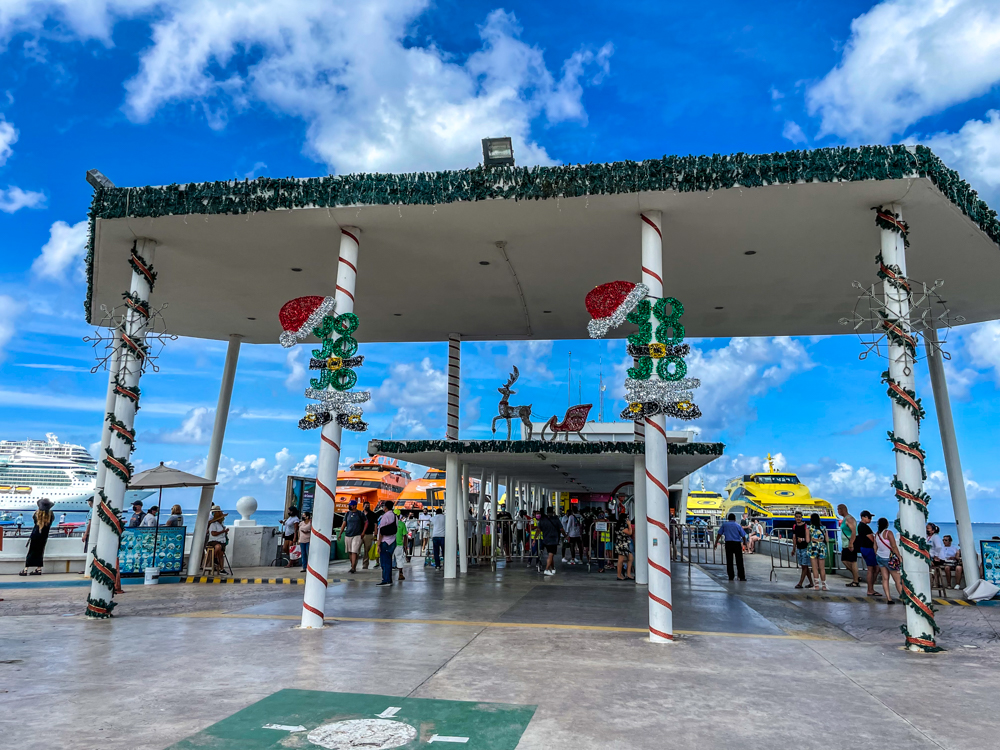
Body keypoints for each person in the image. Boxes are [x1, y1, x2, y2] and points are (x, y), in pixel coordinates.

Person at [19, 498, 54, 576]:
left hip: (35, 534)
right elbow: (50, 523)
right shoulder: (51, 515)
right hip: (44, 535)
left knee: (31, 551)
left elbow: (35, 522)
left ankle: (25, 570)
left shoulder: (36, 514)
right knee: (40, 552)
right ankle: (38, 569)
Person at [875, 517, 903, 604]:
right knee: (898, 580)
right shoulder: (888, 533)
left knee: (885, 578)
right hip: (889, 559)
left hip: (880, 558)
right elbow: (894, 546)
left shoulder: (877, 534)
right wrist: (899, 557)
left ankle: (888, 598)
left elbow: (875, 547)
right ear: (887, 524)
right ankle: (904, 598)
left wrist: (877, 554)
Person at [715, 513, 747, 581]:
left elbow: (719, 534)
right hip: (737, 544)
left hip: (728, 544)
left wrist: (716, 542)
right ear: (735, 518)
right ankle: (741, 576)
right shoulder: (737, 525)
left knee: (729, 560)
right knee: (739, 560)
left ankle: (731, 576)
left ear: (728, 518)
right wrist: (744, 543)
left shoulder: (725, 525)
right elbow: (743, 535)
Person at [338, 500, 368, 573]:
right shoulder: (347, 514)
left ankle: (353, 567)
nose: (350, 506)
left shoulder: (360, 514)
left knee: (354, 551)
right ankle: (353, 565)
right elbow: (344, 524)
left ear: (354, 506)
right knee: (350, 552)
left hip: (357, 534)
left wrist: (363, 532)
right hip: (348, 534)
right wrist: (340, 533)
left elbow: (366, 522)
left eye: (351, 505)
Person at [856, 510, 880, 597]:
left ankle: (871, 588)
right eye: (869, 517)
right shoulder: (865, 527)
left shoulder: (861, 526)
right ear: (863, 517)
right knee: (873, 569)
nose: (870, 519)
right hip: (868, 549)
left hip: (864, 549)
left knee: (874, 568)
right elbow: (872, 539)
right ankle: (870, 589)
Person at [376, 500, 398, 586]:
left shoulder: (385, 516)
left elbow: (381, 531)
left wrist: (378, 544)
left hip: (385, 541)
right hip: (393, 541)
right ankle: (389, 579)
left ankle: (386, 580)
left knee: (384, 562)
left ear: (385, 507)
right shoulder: (395, 516)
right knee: (389, 561)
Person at [838, 504, 859, 587]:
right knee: (845, 560)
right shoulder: (845, 519)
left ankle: (856, 580)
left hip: (850, 543)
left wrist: (851, 543)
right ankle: (856, 577)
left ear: (842, 509)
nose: (838, 512)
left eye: (838, 510)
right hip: (846, 543)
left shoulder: (849, 519)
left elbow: (853, 531)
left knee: (851, 561)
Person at [791, 511, 814, 589]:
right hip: (799, 548)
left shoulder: (806, 526)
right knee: (804, 566)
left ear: (802, 517)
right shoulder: (794, 526)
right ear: (795, 518)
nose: (798, 518)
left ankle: (800, 583)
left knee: (804, 566)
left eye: (799, 517)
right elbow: (794, 538)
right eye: (797, 517)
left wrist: (803, 539)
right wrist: (794, 549)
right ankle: (811, 583)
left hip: (805, 548)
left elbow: (810, 538)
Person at [538, 506, 563, 576]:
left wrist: (534, 538)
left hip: (545, 539)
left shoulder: (542, 519)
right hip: (553, 539)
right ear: (553, 511)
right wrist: (565, 535)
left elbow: (538, 529)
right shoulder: (556, 519)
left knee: (550, 554)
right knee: (551, 554)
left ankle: (553, 568)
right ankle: (546, 569)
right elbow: (561, 529)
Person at [807, 512, 828, 591]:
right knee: (822, 568)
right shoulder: (824, 528)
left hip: (813, 547)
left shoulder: (809, 528)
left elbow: (808, 539)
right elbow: (827, 539)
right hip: (822, 547)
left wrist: (814, 539)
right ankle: (824, 586)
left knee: (815, 568)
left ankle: (816, 585)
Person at [206, 507, 228, 571]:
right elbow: (213, 533)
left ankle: (221, 569)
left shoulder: (221, 525)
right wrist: (223, 531)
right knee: (218, 547)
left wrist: (225, 532)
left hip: (221, 541)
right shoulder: (213, 524)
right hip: (213, 541)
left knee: (221, 554)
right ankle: (214, 558)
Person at [615, 512, 635, 580]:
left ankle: (628, 574)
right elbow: (630, 532)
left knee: (631, 558)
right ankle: (619, 575)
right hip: (621, 545)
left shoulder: (619, 525)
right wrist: (629, 525)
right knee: (621, 560)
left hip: (624, 544)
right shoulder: (622, 526)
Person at [393, 508, 409, 581]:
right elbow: (405, 536)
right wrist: (405, 546)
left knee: (389, 559)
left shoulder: (388, 523)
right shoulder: (402, 524)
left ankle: (387, 574)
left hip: (389, 544)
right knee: (399, 559)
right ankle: (400, 573)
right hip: (399, 544)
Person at [362, 501, 377, 570]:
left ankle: (365, 565)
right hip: (359, 534)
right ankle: (353, 564)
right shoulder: (360, 514)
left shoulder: (373, 514)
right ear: (363, 506)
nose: (367, 507)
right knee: (356, 550)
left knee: (366, 550)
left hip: (369, 534)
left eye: (368, 505)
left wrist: (375, 534)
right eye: (366, 505)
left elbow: (375, 525)